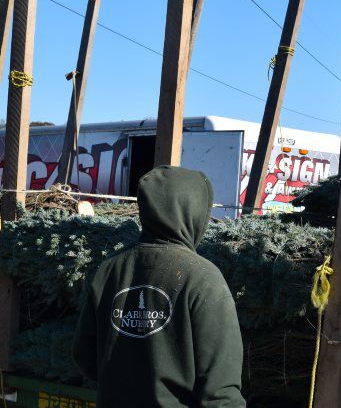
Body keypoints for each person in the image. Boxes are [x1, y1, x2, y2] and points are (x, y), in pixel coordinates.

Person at [73, 166, 246, 407]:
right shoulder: (204, 279)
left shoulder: (109, 269)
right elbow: (221, 391)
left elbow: (85, 356)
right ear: (195, 212)